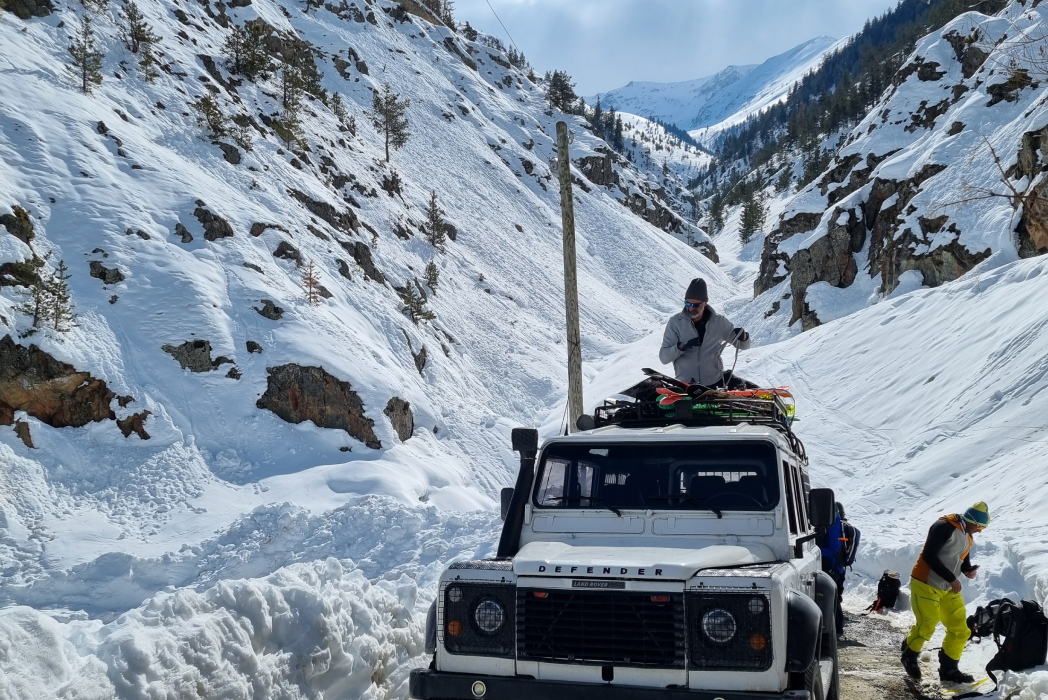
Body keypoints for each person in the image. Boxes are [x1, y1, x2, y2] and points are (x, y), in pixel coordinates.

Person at [900, 502, 990, 682]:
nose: (980, 531)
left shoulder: (967, 534)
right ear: (972, 520)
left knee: (960, 629)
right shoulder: (944, 527)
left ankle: (949, 670)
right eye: (980, 526)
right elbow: (929, 555)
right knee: (928, 624)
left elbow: (961, 559)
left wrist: (968, 570)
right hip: (926, 582)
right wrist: (951, 578)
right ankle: (909, 655)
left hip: (948, 588)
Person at [659, 278, 750, 388]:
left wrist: (743, 337)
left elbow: (743, 346)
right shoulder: (675, 323)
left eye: (696, 305)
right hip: (687, 386)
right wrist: (680, 347)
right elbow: (664, 358)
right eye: (687, 304)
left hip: (715, 384)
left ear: (705, 303)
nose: (691, 308)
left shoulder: (719, 322)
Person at [817, 502, 859, 635]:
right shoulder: (835, 523)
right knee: (833, 598)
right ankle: (834, 628)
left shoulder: (833, 523)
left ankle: (836, 629)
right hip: (836, 568)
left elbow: (834, 549)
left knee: (831, 599)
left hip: (832, 568)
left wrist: (814, 550)